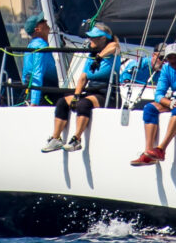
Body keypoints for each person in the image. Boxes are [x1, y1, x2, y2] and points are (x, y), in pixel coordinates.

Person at [45, 25, 120, 153]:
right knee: (63, 102)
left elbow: (114, 46)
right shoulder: (91, 55)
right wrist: (76, 96)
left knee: (83, 104)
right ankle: (55, 138)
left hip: (106, 93)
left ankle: (76, 140)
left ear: (103, 39)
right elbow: (83, 78)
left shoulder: (113, 50)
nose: (90, 40)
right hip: (92, 92)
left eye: (93, 38)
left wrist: (100, 57)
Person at [131, 44, 176, 166]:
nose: (173, 60)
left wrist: (175, 96)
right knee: (149, 108)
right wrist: (169, 102)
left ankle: (161, 149)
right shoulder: (166, 68)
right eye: (169, 58)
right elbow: (159, 95)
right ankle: (148, 152)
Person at [19, 15, 58, 108]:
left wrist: (26, 93)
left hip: (35, 90)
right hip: (46, 93)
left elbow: (25, 73)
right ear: (37, 30)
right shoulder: (41, 46)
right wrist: (34, 102)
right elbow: (37, 73)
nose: (46, 21)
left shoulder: (31, 45)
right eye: (42, 21)